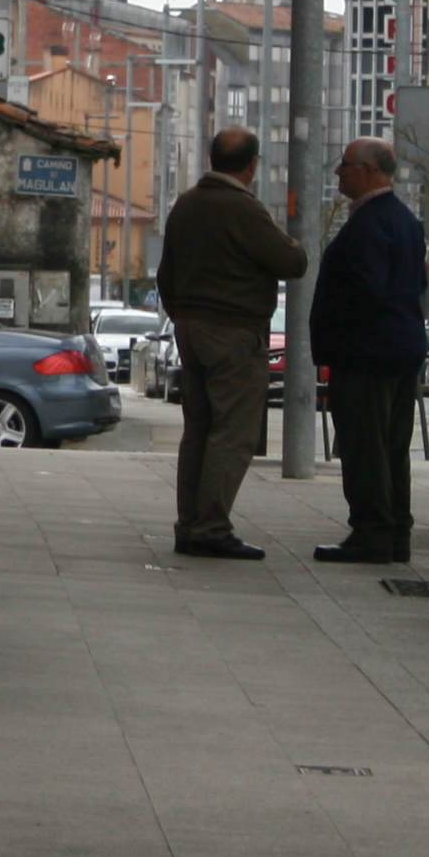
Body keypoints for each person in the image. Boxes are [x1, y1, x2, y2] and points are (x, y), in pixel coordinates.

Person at [154, 127, 309, 559]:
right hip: (235, 332)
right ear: (252, 165)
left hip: (190, 329)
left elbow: (165, 274)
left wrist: (182, 313)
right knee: (233, 432)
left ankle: (189, 523)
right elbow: (290, 261)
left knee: (198, 429)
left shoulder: (185, 205)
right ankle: (211, 527)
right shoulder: (244, 209)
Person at [307, 137, 427, 565]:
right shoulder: (405, 221)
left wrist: (332, 323)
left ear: (371, 172)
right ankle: (395, 533)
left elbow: (365, 289)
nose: (338, 172)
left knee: (364, 446)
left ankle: (372, 533)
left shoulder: (372, 223)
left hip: (367, 354)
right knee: (392, 447)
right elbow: (417, 285)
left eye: (346, 165)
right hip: (398, 350)